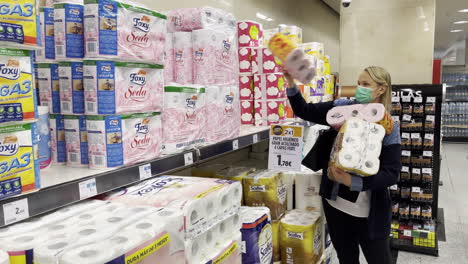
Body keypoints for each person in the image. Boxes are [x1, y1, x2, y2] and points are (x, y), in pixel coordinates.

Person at [285, 66, 401, 264]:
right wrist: (290, 82)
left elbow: (391, 173)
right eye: (358, 83)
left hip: (369, 213)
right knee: (346, 258)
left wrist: (353, 181)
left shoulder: (388, 126)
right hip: (335, 204)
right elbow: (304, 110)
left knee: (379, 260)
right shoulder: (342, 108)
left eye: (366, 84)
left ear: (381, 89)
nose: (359, 88)